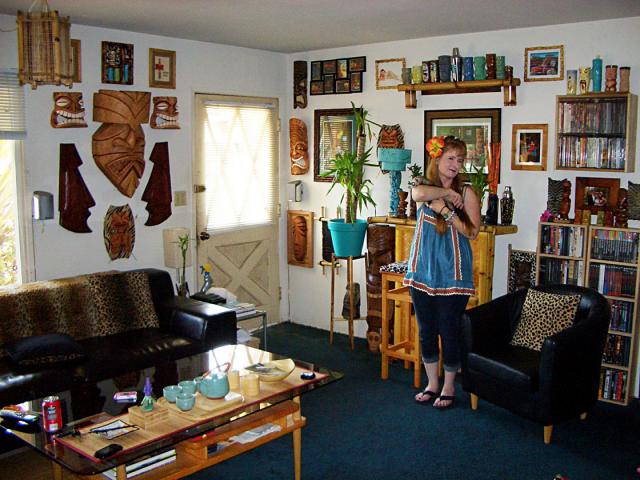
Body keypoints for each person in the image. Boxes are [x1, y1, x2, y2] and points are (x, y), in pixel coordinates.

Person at [403, 135, 481, 409]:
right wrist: (446, 194)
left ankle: (448, 386)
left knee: (449, 330)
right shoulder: (424, 186)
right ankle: (432, 383)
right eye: (450, 158)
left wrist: (447, 212)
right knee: (426, 330)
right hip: (422, 270)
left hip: (453, 273)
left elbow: (472, 232)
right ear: (436, 159)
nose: (455, 164)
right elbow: (417, 195)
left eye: (460, 160)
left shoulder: (467, 193)